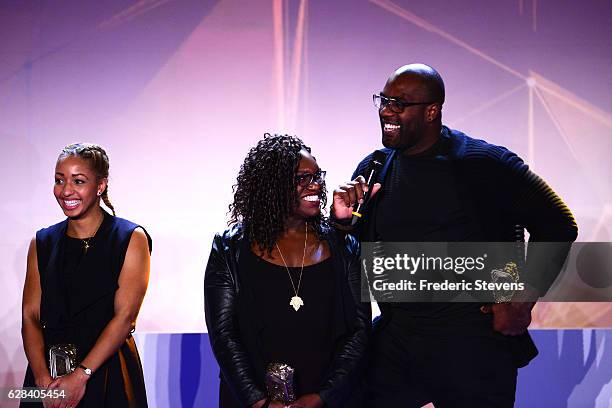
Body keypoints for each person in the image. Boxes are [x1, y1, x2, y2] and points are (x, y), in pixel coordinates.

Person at [332, 64, 578, 407]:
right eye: (383, 100)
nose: (386, 111)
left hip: (472, 344)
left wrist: (523, 298)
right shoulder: (374, 167)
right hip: (397, 337)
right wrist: (342, 223)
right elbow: (348, 248)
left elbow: (559, 223)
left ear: (432, 110)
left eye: (399, 103)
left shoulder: (484, 163)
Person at [204, 134, 370, 408]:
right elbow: (224, 335)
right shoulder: (229, 247)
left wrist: (323, 396)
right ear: (272, 186)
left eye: (317, 176)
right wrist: (257, 401)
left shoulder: (343, 245)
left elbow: (359, 330)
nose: (315, 185)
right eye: (302, 178)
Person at [21, 143, 151, 407]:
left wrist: (81, 375)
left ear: (100, 185)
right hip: (49, 377)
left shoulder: (129, 238)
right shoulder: (42, 242)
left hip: (105, 372)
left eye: (78, 181)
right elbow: (30, 315)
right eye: (59, 180)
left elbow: (125, 318)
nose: (66, 190)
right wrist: (42, 380)